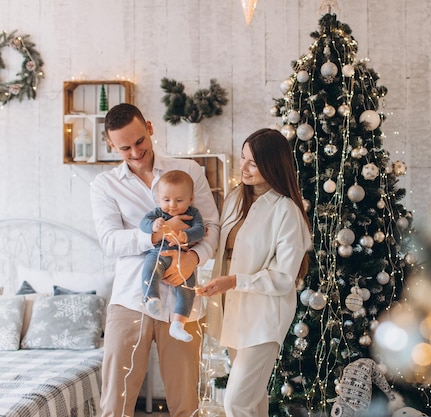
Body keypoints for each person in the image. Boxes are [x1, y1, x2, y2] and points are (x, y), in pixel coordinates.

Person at [90, 103, 220, 417]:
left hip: (181, 300)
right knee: (115, 402)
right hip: (131, 298)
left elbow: (212, 226)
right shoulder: (105, 186)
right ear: (112, 146)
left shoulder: (189, 170)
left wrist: (194, 258)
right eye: (124, 147)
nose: (135, 152)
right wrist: (155, 235)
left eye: (139, 141)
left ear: (149, 127)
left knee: (185, 401)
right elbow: (109, 241)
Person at [196, 128, 311, 417]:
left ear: (272, 165)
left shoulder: (286, 211)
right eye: (243, 158)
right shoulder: (236, 198)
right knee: (254, 399)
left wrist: (234, 281)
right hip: (234, 311)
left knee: (235, 402)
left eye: (253, 163)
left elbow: (285, 277)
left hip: (264, 318)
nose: (243, 168)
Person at [140, 170, 205, 343]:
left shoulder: (193, 214)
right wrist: (154, 225)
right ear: (158, 199)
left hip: (183, 258)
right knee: (149, 270)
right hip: (159, 253)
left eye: (179, 200)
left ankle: (178, 324)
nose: (172, 205)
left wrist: (187, 236)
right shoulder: (158, 214)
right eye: (166, 200)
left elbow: (201, 230)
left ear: (190, 199)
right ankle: (152, 298)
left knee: (188, 290)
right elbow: (143, 223)